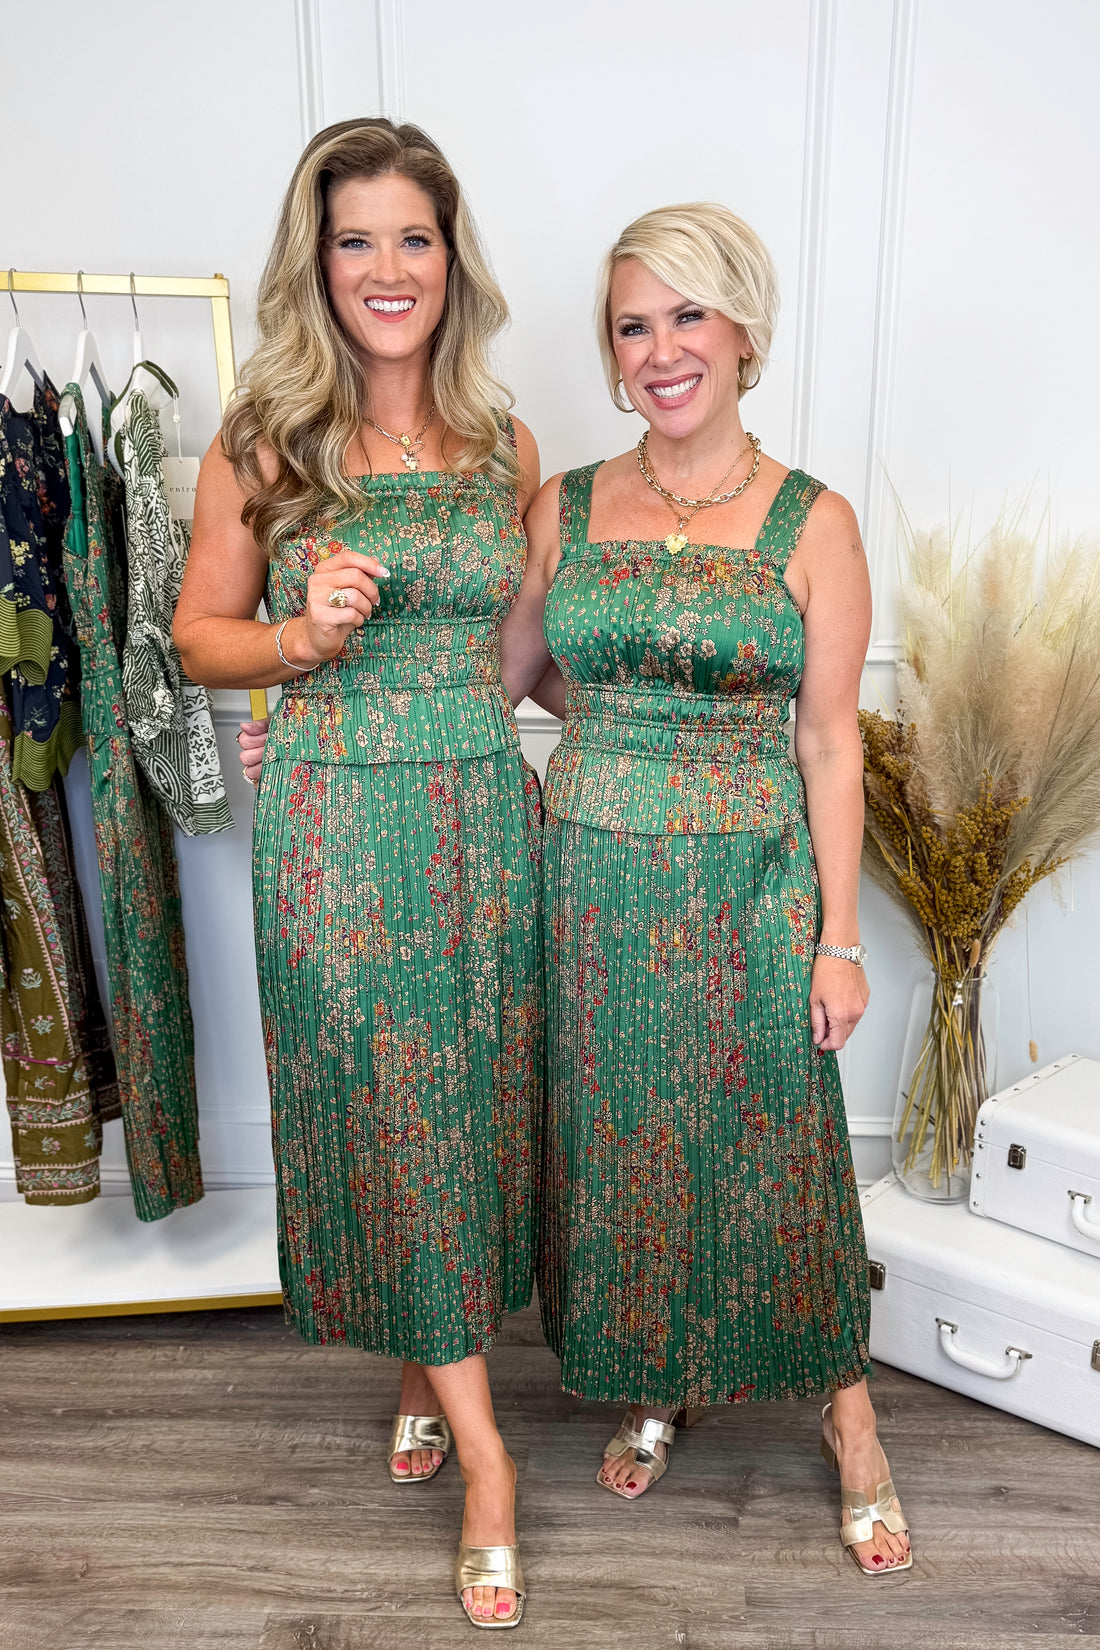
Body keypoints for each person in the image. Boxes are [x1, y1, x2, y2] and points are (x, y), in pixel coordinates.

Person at [501, 202, 912, 1577]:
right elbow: (507, 677)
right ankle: (658, 1379)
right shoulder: (566, 501)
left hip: (751, 883)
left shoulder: (814, 519)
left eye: (688, 316)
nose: (661, 349)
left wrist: (840, 939)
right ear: (611, 351)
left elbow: (831, 738)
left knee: (774, 1147)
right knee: (624, 1142)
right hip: (593, 884)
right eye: (633, 323)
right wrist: (299, 706)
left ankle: (852, 1426)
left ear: (742, 331)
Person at [175, 117, 541, 1628]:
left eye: (412, 238)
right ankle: (492, 1462)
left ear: (451, 258)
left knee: (469, 1109)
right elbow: (200, 639)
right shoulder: (265, 440)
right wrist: (303, 648)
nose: (387, 269)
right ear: (314, 264)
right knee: (390, 1104)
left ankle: (419, 1358)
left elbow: (525, 654)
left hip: (482, 813)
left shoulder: (507, 443)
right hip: (336, 826)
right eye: (355, 241)